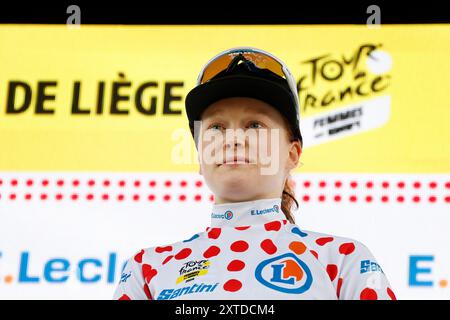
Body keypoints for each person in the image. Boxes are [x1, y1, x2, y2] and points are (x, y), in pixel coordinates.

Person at [113, 47, 396, 300]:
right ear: (200, 157)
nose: (233, 138)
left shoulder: (344, 260)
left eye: (255, 125)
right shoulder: (146, 269)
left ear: (292, 153)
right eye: (216, 128)